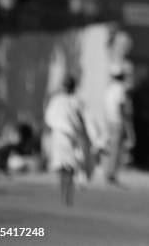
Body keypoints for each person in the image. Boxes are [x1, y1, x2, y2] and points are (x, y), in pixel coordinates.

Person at [44, 74, 91, 206]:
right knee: (69, 167)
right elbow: (83, 121)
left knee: (63, 167)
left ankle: (64, 195)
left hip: (58, 136)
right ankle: (67, 196)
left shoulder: (57, 100)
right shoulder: (74, 101)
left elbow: (48, 119)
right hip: (69, 137)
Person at [104, 64, 134, 184]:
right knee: (116, 149)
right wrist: (128, 125)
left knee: (112, 148)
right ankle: (111, 174)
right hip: (118, 121)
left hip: (110, 121)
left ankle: (109, 172)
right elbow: (121, 107)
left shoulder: (109, 88)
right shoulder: (120, 89)